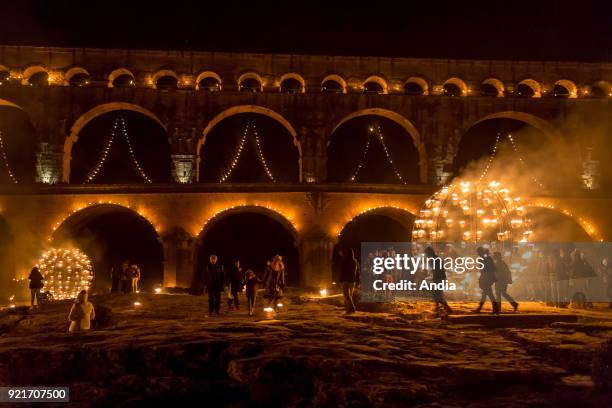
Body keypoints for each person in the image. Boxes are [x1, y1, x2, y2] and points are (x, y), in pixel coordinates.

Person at [425, 246, 453, 315]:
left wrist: (433, 278)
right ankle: (437, 308)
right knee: (436, 294)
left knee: (437, 295)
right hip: (439, 279)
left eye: (426, 254)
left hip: (439, 279)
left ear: (429, 253)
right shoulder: (435, 258)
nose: (426, 256)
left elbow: (437, 271)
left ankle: (448, 309)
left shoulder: (435, 259)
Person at [474, 247, 498, 314]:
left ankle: (495, 309)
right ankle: (480, 309)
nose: (478, 253)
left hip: (487, 279)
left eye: (478, 252)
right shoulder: (486, 258)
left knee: (489, 294)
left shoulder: (486, 259)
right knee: (485, 294)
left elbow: (491, 268)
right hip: (487, 278)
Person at [339, 248, 360, 314]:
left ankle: (352, 308)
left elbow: (343, 271)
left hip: (345, 280)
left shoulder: (345, 261)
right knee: (349, 295)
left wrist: (340, 279)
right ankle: (347, 308)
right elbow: (358, 272)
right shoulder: (355, 261)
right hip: (352, 281)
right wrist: (358, 281)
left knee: (346, 295)